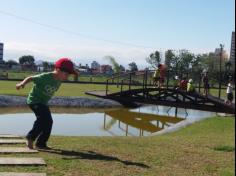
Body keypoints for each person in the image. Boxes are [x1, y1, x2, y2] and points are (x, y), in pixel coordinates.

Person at [16, 58, 78, 150]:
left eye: (68, 75)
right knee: (42, 119)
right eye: (66, 74)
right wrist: (22, 84)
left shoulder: (59, 80)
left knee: (48, 122)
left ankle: (41, 144)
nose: (67, 77)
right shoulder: (45, 76)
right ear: (57, 70)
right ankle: (30, 138)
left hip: (43, 103)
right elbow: (30, 78)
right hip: (34, 101)